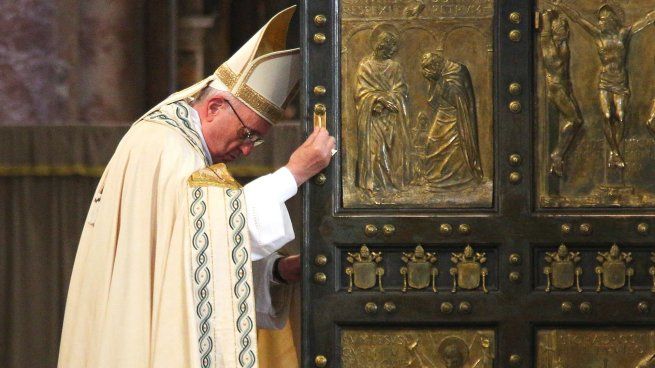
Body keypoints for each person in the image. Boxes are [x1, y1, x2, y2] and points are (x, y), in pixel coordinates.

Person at [58, 6, 336, 367]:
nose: (248, 148)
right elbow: (211, 230)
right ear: (215, 106)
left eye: (257, 140)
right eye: (247, 133)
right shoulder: (167, 147)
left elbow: (193, 263)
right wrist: (293, 175)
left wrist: (277, 273)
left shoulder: (174, 142)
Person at [553, 1, 655, 168]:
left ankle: (615, 153)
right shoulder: (598, 35)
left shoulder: (624, 34)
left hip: (620, 81)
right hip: (605, 80)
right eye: (599, 19)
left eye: (602, 19)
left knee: (620, 117)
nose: (599, 22)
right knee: (607, 116)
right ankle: (615, 153)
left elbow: (644, 21)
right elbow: (578, 19)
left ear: (611, 20)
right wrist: (560, 5)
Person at [354, 23, 413, 194]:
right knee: (375, 150)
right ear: (380, 46)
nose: (392, 52)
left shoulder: (395, 67)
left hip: (392, 116)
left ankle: (392, 184)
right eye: (389, 47)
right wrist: (377, 100)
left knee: (392, 149)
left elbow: (401, 89)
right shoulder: (365, 66)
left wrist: (390, 100)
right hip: (373, 117)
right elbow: (360, 92)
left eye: (393, 48)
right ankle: (375, 185)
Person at [420, 52, 483, 190]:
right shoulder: (439, 72)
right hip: (443, 112)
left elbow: (458, 99)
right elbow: (433, 100)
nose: (429, 72)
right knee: (432, 142)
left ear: (437, 65)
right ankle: (435, 179)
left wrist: (440, 81)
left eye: (430, 68)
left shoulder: (457, 70)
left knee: (455, 146)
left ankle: (460, 180)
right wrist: (433, 81)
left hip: (457, 115)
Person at [540, 9, 583, 177]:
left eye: (566, 27)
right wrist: (545, 18)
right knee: (575, 120)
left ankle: (557, 155)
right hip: (556, 87)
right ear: (555, 30)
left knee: (575, 119)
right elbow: (544, 36)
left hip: (565, 86)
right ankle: (557, 154)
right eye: (562, 27)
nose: (566, 29)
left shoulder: (562, 44)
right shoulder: (550, 45)